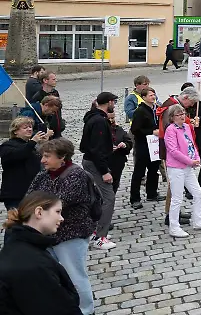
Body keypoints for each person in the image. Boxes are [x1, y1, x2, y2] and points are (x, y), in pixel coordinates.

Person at [28, 138, 96, 315]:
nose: (43, 160)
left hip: (71, 234)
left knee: (75, 275)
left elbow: (59, 202)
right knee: (48, 275)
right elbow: (29, 198)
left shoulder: (76, 175)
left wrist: (37, 208)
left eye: (47, 156)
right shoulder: (42, 175)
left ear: (62, 157)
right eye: (43, 156)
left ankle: (85, 310)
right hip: (46, 235)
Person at [0, 191, 82, 314]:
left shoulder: (17, 244)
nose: (62, 218)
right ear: (39, 212)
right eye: (58, 212)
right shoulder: (33, 263)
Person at [163, 104, 201, 238]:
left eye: (183, 113)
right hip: (176, 168)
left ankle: (198, 220)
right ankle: (174, 226)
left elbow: (191, 144)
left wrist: (196, 158)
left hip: (187, 167)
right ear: (172, 118)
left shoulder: (187, 127)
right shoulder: (170, 130)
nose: (182, 116)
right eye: (178, 114)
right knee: (177, 198)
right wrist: (189, 161)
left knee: (198, 193)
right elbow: (173, 151)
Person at [79, 91, 119, 251]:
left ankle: (96, 231)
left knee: (101, 197)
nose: (114, 105)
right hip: (95, 164)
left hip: (93, 161)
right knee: (109, 198)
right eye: (113, 102)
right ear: (108, 102)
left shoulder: (95, 118)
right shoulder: (99, 121)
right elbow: (95, 150)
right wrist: (104, 171)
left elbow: (87, 145)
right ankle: (100, 237)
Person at [0, 117, 46, 210]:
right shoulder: (8, 146)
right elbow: (20, 154)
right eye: (25, 128)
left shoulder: (30, 146)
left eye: (30, 127)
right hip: (15, 193)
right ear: (15, 131)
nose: (29, 129)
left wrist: (44, 144)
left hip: (31, 192)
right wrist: (33, 142)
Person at [129, 87, 163, 209]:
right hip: (143, 145)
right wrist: (151, 132)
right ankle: (135, 198)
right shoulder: (140, 111)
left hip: (154, 145)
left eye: (154, 94)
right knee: (139, 172)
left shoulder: (156, 109)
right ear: (144, 97)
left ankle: (152, 193)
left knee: (154, 170)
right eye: (150, 95)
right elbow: (135, 130)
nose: (153, 97)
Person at [179, 82, 201, 197]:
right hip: (187, 140)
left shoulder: (198, 104)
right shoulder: (179, 106)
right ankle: (189, 189)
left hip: (200, 137)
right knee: (187, 165)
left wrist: (199, 120)